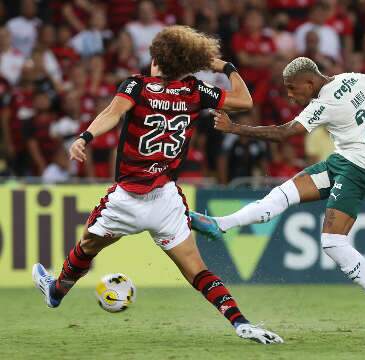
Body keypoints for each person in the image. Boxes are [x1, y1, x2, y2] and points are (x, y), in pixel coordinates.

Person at [31, 25, 283, 345]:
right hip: (165, 200)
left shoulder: (137, 86)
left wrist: (85, 137)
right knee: (197, 270)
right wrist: (227, 67)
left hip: (126, 198)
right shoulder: (195, 90)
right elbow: (244, 102)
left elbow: (112, 112)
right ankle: (240, 322)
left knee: (86, 247)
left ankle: (56, 291)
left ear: (157, 60)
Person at [190, 56, 365, 336]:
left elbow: (283, 134)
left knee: (332, 242)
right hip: (343, 161)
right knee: (281, 194)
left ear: (310, 81)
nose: (291, 96)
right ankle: (222, 224)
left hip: (359, 169)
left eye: (293, 88)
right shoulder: (355, 78)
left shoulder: (324, 104)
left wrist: (235, 128)